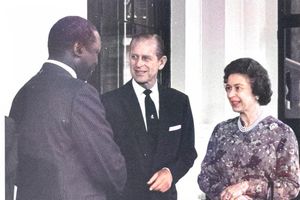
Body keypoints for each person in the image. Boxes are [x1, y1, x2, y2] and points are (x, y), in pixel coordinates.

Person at [9, 16, 126, 200]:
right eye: (95, 52)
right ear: (78, 49)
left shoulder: (23, 93)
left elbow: (14, 165)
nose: (96, 60)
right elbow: (110, 167)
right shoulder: (80, 94)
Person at [101, 33, 197, 200]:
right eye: (134, 57)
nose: (138, 64)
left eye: (146, 58)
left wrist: (170, 173)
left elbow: (188, 152)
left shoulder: (178, 102)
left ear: (162, 62)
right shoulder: (109, 102)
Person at [198, 58, 300, 200]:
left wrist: (247, 187)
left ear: (256, 91)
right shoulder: (221, 131)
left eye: (238, 88)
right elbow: (205, 177)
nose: (230, 94)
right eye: (228, 88)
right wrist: (229, 195)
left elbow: (291, 186)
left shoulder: (281, 133)